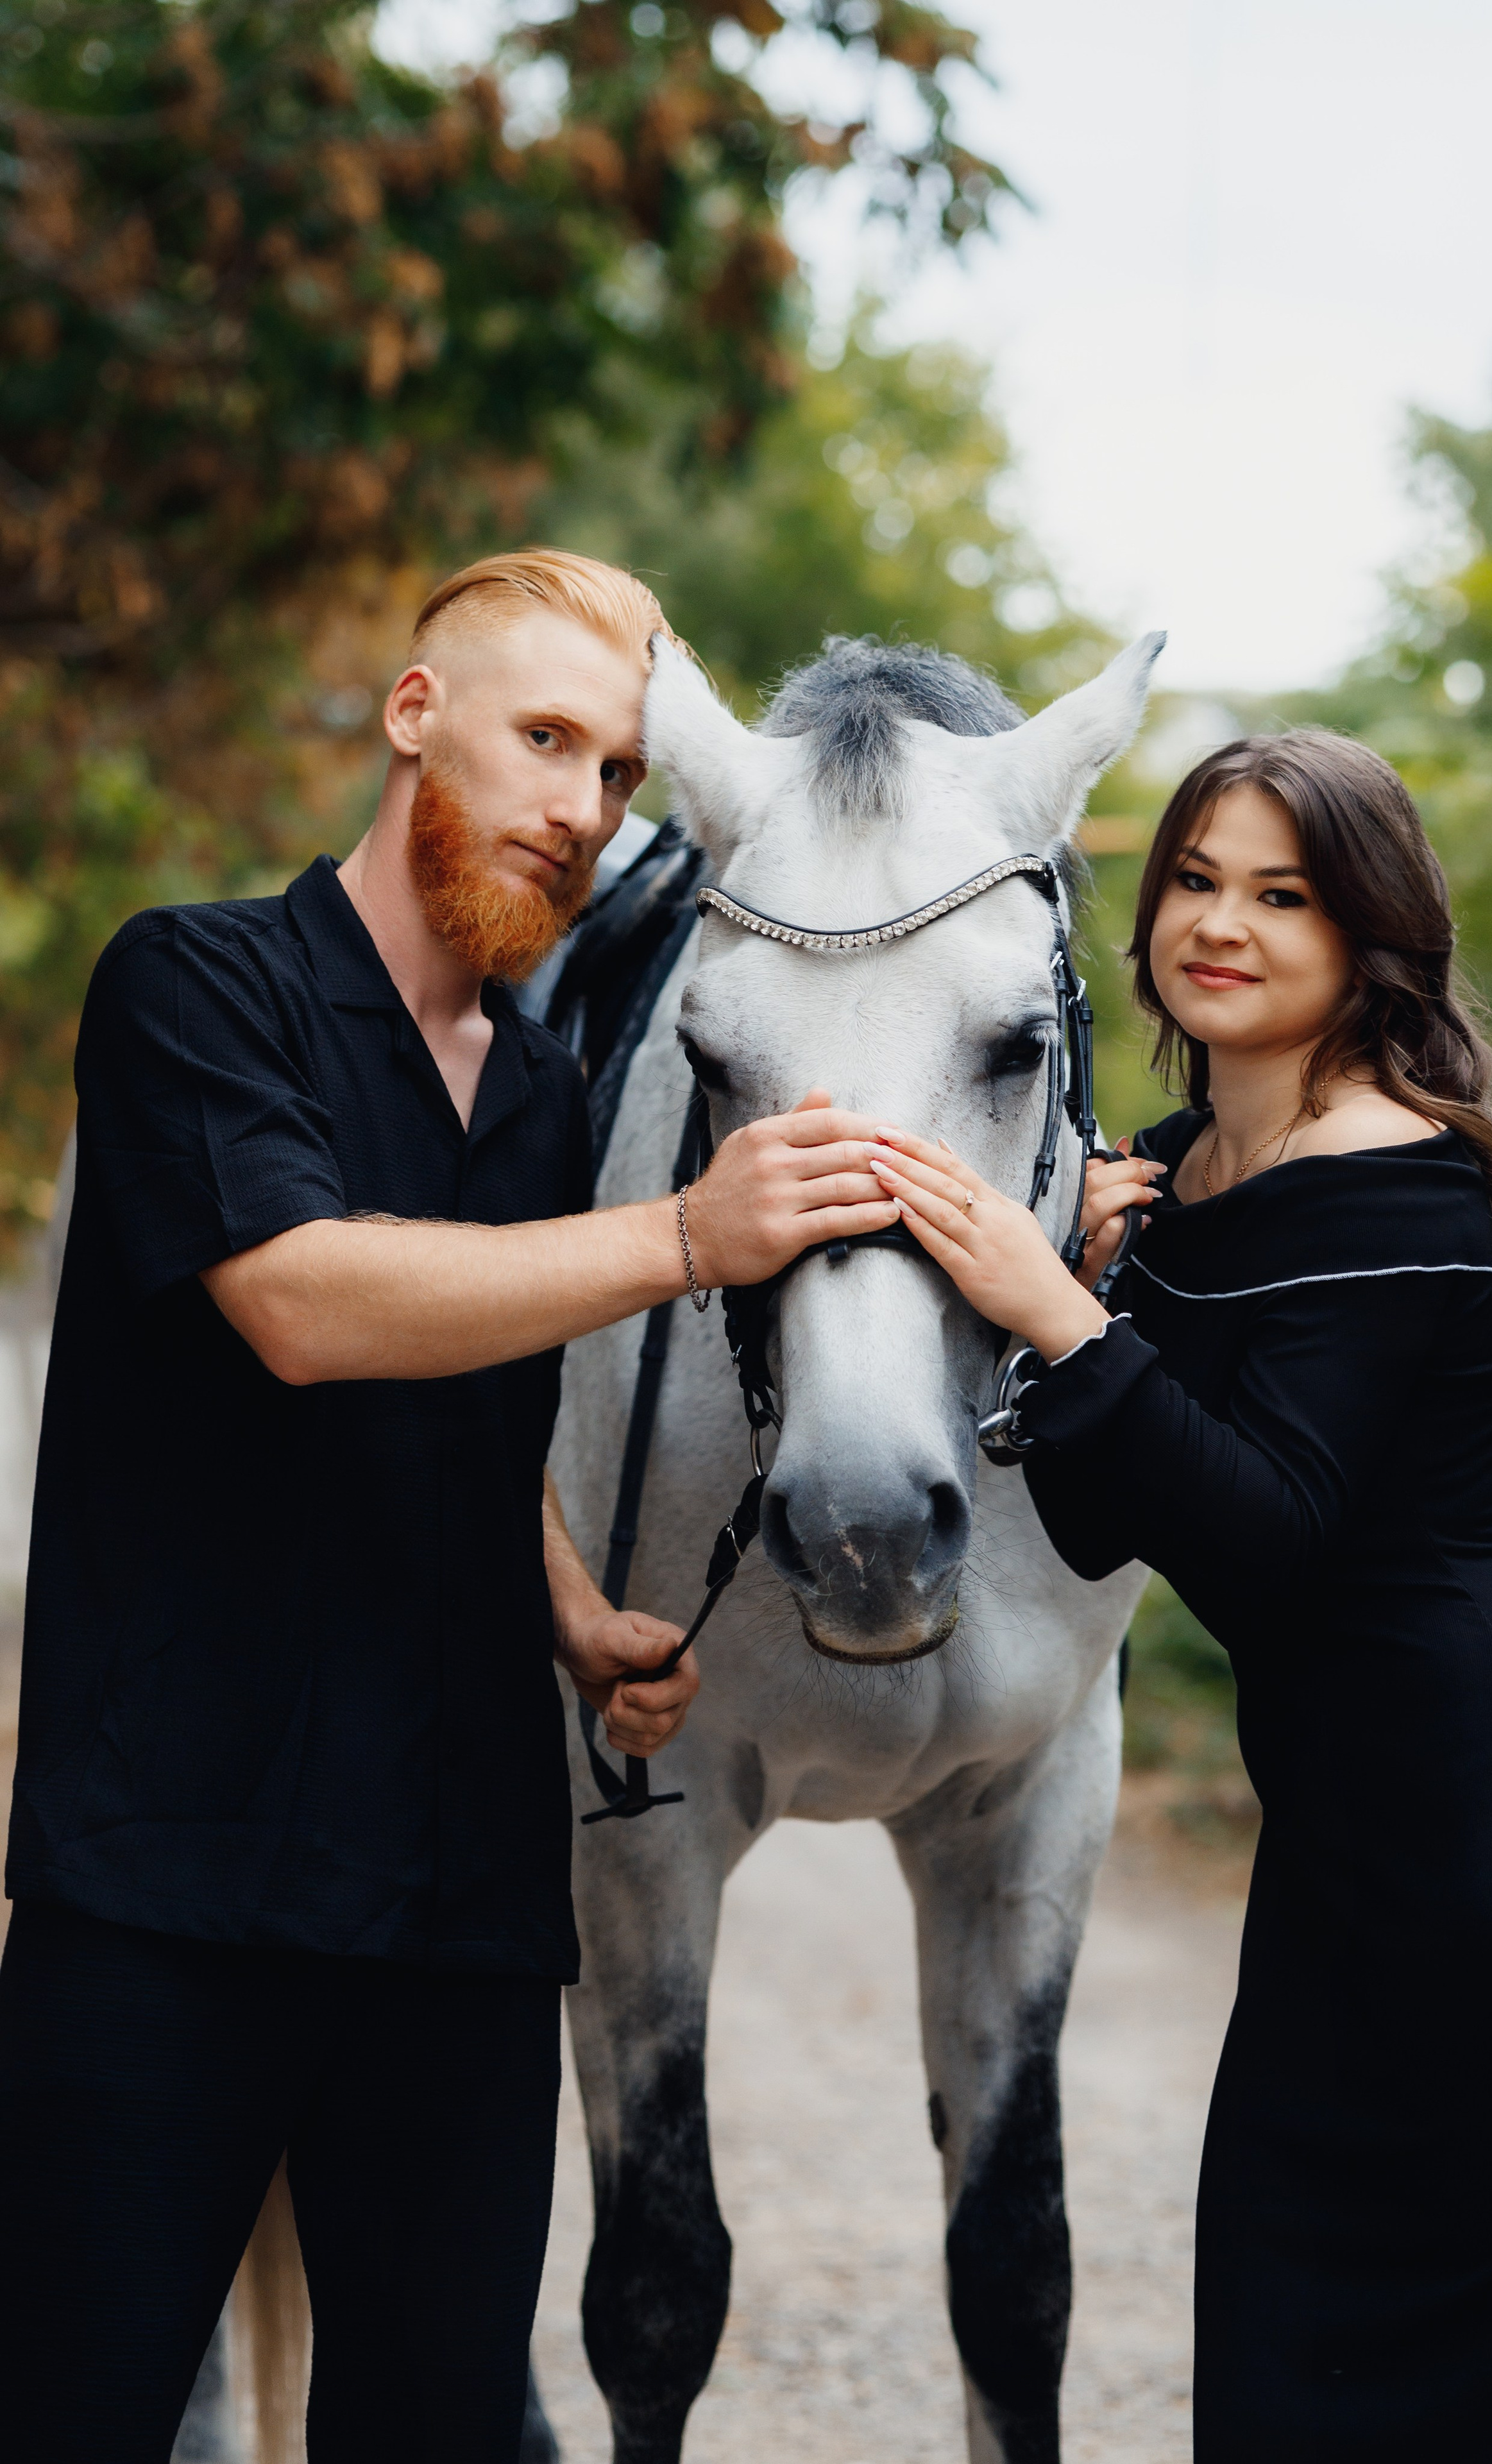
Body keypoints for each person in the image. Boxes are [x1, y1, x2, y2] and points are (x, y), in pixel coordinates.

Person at [0, 548, 899, 2462]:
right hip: (176, 1887)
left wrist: (568, 1602)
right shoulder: (193, 981)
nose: (580, 808)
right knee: (72, 2411)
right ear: (417, 716)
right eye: (546, 739)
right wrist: (677, 1234)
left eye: (620, 775)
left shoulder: (555, 1096)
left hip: (461, 1910)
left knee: (436, 2432)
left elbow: (476, 1411)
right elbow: (312, 1307)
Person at [864, 730, 1492, 2462]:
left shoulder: (1400, 1180)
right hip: (1342, 1883)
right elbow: (1089, 1528)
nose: (1222, 922)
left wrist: (1064, 1320)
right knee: (1287, 2373)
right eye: (1196, 881)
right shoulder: (1175, 1174)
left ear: (1369, 935)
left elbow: (1272, 1535)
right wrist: (1066, 1288)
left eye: (1283, 893)